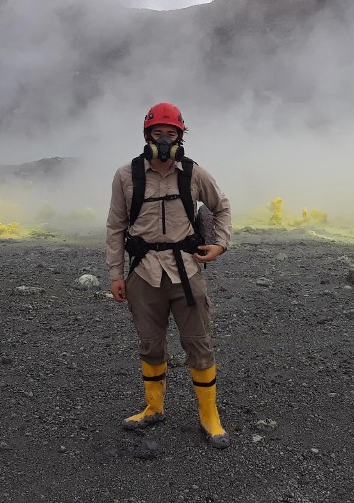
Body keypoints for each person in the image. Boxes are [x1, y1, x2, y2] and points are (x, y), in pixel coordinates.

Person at [105, 102, 232, 449]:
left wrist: (220, 245)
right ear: (147, 136)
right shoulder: (125, 175)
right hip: (143, 274)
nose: (164, 139)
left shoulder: (193, 173)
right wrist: (116, 273)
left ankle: (209, 416)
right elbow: (116, 225)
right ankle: (153, 406)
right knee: (149, 343)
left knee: (198, 342)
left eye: (171, 133)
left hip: (186, 271)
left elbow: (221, 206)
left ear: (180, 136)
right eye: (158, 133)